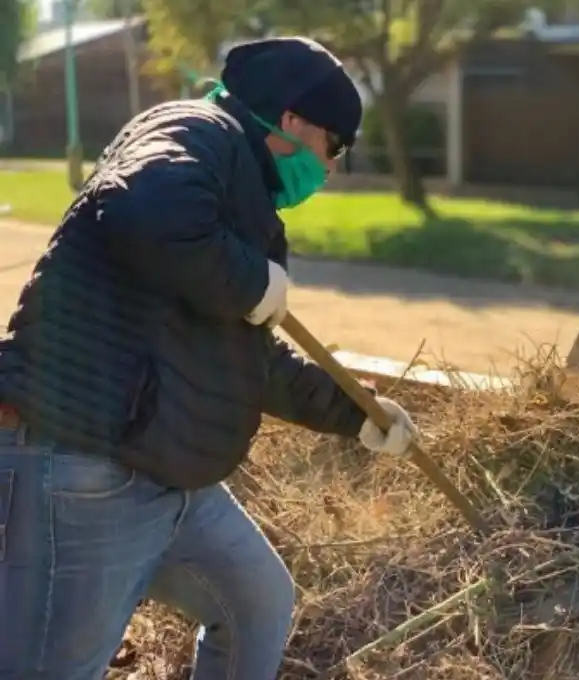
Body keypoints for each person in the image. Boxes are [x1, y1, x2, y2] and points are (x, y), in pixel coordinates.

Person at [0, 36, 419, 680]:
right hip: (83, 466)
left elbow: (246, 359)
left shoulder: (246, 206)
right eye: (334, 146)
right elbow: (146, 210)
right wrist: (253, 282)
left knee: (255, 603)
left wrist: (355, 412)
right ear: (292, 122)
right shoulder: (194, 130)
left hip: (167, 473)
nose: (331, 167)